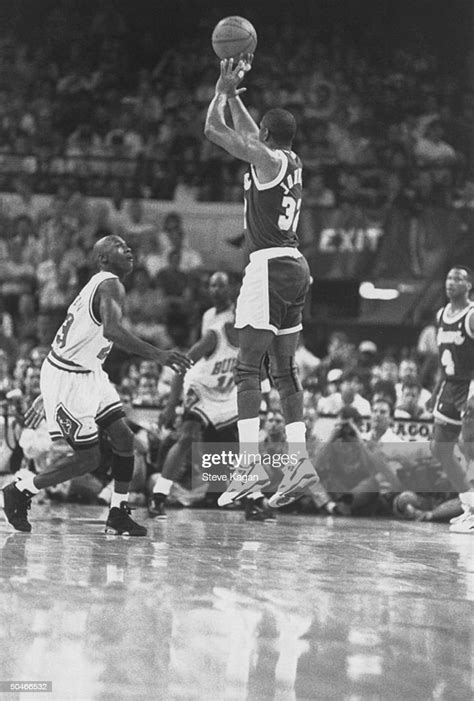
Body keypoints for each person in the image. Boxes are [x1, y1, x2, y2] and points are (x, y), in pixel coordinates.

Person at [2, 235, 191, 535]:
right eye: (119, 246)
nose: (128, 249)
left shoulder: (102, 284)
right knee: (89, 457)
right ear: (103, 259)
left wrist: (45, 393)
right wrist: (159, 354)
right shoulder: (109, 283)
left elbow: (76, 337)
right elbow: (113, 331)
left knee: (124, 439)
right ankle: (22, 488)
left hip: (87, 372)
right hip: (70, 377)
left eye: (129, 246)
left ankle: (117, 512)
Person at [205, 56, 321, 509]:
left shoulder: (267, 157)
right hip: (298, 267)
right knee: (286, 372)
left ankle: (247, 468)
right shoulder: (290, 159)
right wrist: (236, 96)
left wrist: (219, 91)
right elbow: (253, 136)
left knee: (248, 367)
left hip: (268, 266)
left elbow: (216, 133)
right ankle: (298, 466)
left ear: (268, 137)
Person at [150, 306, 242, 517]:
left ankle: (221, 493)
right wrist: (172, 405)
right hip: (199, 387)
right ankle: (159, 496)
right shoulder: (215, 334)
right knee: (187, 437)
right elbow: (182, 365)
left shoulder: (254, 338)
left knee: (231, 444)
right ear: (236, 310)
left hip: (225, 392)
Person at [427, 266, 474, 533]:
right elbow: (442, 359)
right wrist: (435, 391)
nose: (451, 282)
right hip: (448, 384)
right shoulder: (440, 314)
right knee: (439, 448)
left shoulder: (471, 315)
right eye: (448, 278)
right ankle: (468, 504)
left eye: (458, 279)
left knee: (470, 450)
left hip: (469, 385)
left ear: (468, 286)